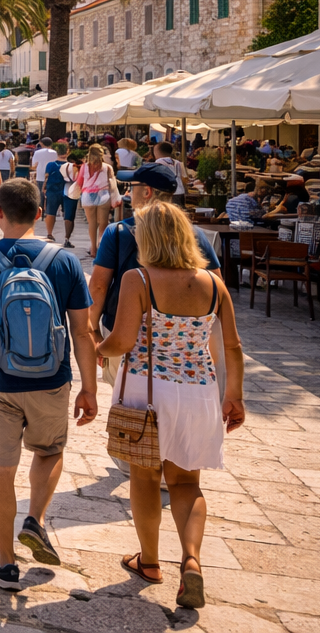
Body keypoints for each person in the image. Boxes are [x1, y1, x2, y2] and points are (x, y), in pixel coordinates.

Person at [0, 178, 98, 592]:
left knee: (1, 468)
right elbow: (83, 331)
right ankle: (35, 519)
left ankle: (6, 562)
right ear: (39, 213)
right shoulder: (65, 261)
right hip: (51, 379)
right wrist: (89, 387)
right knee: (49, 451)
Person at [98, 202, 245, 610]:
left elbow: (122, 340)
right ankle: (192, 560)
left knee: (145, 479)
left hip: (146, 393)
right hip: (198, 394)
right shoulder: (214, 284)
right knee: (186, 483)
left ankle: (149, 561)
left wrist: (97, 347)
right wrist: (234, 396)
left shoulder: (139, 279)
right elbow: (232, 346)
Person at [89, 165, 220, 387]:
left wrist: (92, 330)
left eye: (132, 187)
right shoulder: (195, 234)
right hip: (182, 342)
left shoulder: (118, 232)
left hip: (123, 333)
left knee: (128, 399)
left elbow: (99, 286)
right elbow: (215, 283)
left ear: (147, 191)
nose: (128, 192)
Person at [78, 144, 117, 255]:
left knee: (92, 223)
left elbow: (79, 182)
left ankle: (93, 249)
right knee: (103, 223)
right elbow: (112, 184)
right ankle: (101, 246)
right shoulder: (107, 167)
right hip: (103, 194)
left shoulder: (84, 167)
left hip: (88, 195)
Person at [42, 143, 77, 248]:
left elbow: (46, 177)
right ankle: (67, 238)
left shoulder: (50, 165)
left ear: (56, 152)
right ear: (68, 152)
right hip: (69, 191)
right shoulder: (72, 166)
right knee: (69, 215)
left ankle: (49, 234)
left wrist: (44, 188)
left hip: (53, 190)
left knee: (50, 212)